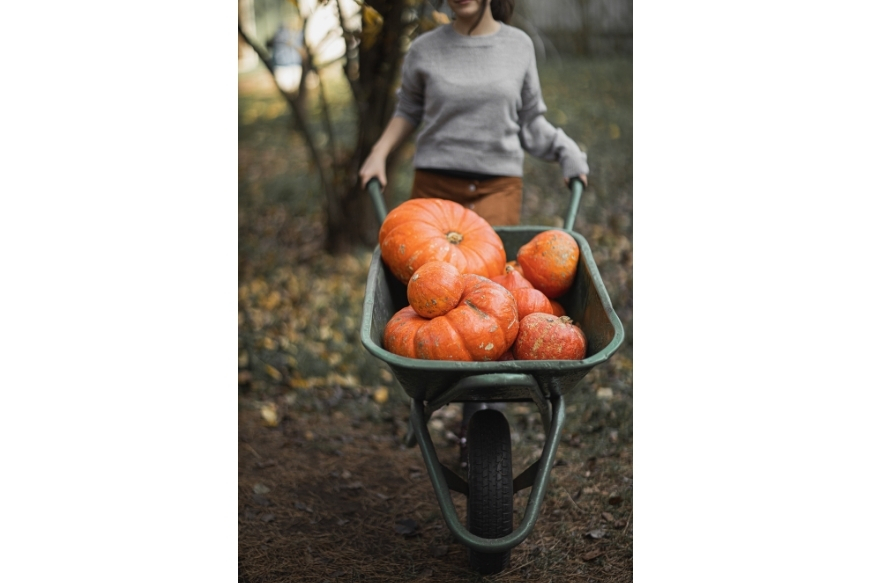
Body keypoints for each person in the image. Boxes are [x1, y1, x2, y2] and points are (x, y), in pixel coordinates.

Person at [358, 0, 589, 227]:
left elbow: (530, 122)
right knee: (429, 266)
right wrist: (378, 153)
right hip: (433, 190)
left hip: (496, 191)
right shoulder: (424, 49)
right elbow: (408, 110)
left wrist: (567, 150)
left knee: (488, 265)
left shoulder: (519, 46)